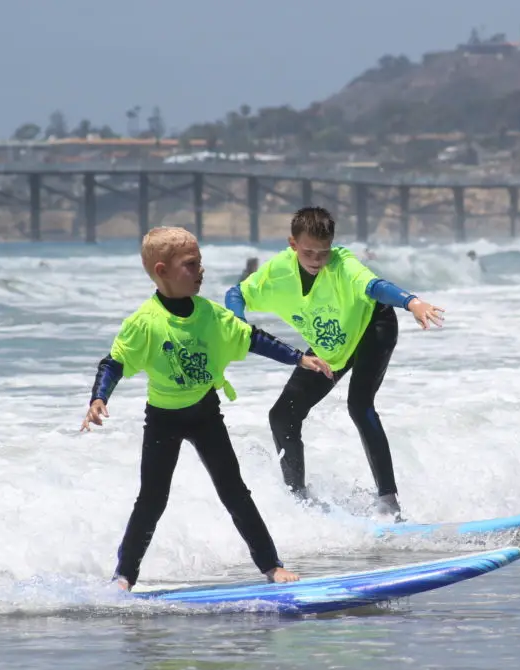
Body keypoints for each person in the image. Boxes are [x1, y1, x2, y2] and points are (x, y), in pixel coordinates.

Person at [81, 226, 334, 591]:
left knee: (234, 491)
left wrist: (298, 358)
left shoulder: (211, 315)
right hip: (163, 419)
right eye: (191, 264)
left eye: (201, 263)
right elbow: (114, 363)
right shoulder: (145, 323)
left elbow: (252, 337)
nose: (201, 271)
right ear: (162, 270)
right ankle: (124, 576)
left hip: (204, 413)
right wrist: (99, 398)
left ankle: (271, 565)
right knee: (152, 500)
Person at [224, 207, 445, 521]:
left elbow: (375, 286)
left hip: (373, 327)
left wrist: (412, 302)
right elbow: (237, 292)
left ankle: (389, 502)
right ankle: (298, 498)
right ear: (292, 244)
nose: (316, 259)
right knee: (282, 415)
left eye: (323, 252)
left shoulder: (343, 264)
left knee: (359, 404)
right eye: (308, 252)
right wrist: (236, 319)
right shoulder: (278, 271)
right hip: (333, 341)